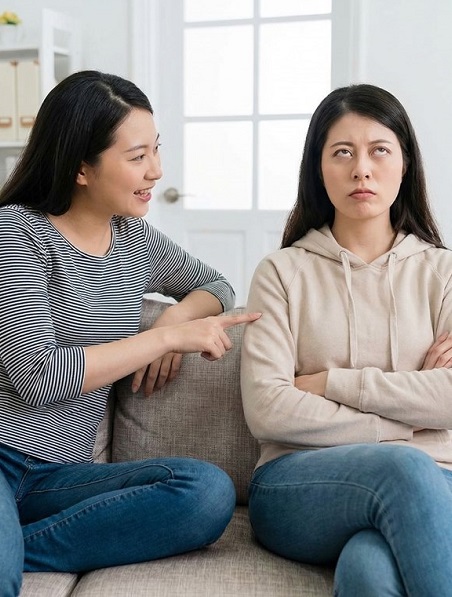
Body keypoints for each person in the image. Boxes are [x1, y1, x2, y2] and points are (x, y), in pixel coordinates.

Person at [0, 70, 260, 596]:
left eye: (155, 150)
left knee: (206, 492)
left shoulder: (134, 238)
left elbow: (216, 286)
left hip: (60, 477)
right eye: (138, 156)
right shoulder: (17, 231)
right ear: (81, 167)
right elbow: (38, 377)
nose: (156, 171)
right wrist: (163, 341)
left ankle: (15, 546)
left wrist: (173, 318)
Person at [240, 83, 452, 597]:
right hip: (299, 484)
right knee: (404, 467)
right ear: (318, 168)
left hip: (437, 478)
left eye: (379, 150)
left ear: (405, 163)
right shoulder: (281, 273)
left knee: (367, 571)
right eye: (342, 153)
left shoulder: (442, 273)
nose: (362, 169)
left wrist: (332, 383)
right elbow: (269, 409)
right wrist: (407, 419)